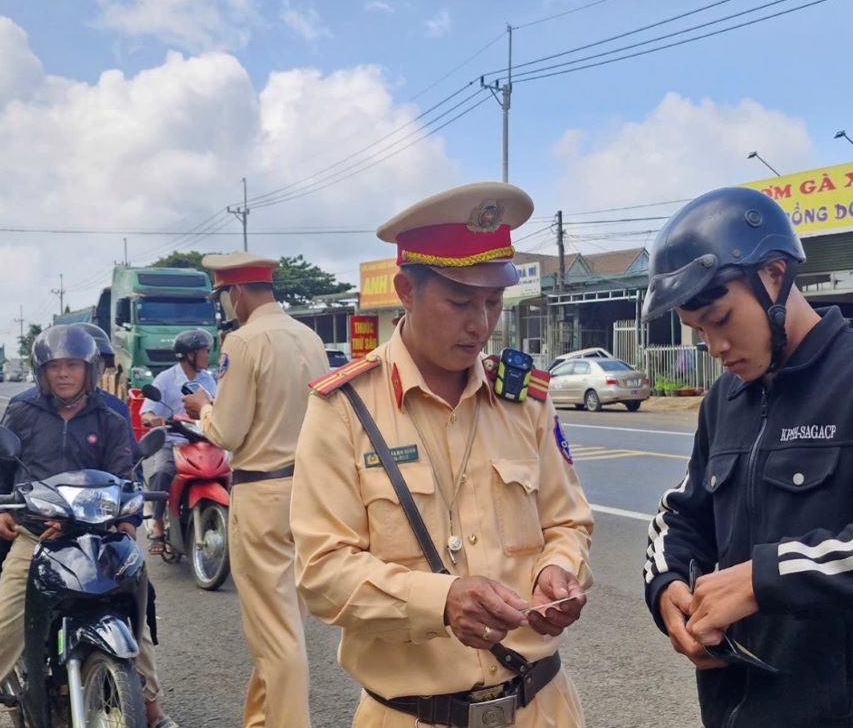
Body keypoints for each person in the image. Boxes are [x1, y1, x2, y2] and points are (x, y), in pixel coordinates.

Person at [639, 187, 853, 728]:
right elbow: (682, 514)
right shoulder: (723, 399)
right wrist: (668, 587)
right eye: (700, 333)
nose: (716, 347)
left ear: (773, 275)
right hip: (731, 711)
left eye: (722, 319)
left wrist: (762, 579)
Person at [290, 182, 594, 728]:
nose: (480, 323)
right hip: (412, 715)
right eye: (460, 301)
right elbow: (321, 571)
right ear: (406, 290)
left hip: (542, 707)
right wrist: (439, 600)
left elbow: (568, 521)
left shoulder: (523, 400)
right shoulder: (345, 408)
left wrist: (559, 569)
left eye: (493, 301)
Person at [0, 325, 176, 728]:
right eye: (54, 366)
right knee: (1, 634)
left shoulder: (112, 412)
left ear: (89, 369)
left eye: (72, 365)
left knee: (134, 612)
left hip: (98, 532)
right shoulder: (22, 410)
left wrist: (128, 522)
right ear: (42, 372)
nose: (63, 374)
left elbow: (127, 472)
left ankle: (151, 705)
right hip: (38, 533)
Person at [179, 253, 328, 728]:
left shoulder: (241, 342)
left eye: (224, 296)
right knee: (285, 625)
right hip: (309, 491)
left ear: (235, 293)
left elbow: (227, 431)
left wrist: (203, 407)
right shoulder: (310, 337)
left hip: (261, 492)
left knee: (275, 634)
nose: (226, 306)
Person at [141, 328, 218, 553]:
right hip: (172, 441)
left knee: (229, 474)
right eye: (204, 351)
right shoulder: (166, 379)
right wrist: (152, 419)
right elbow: (146, 412)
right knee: (164, 472)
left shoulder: (209, 380)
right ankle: (157, 526)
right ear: (189, 355)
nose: (208, 355)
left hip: (203, 440)